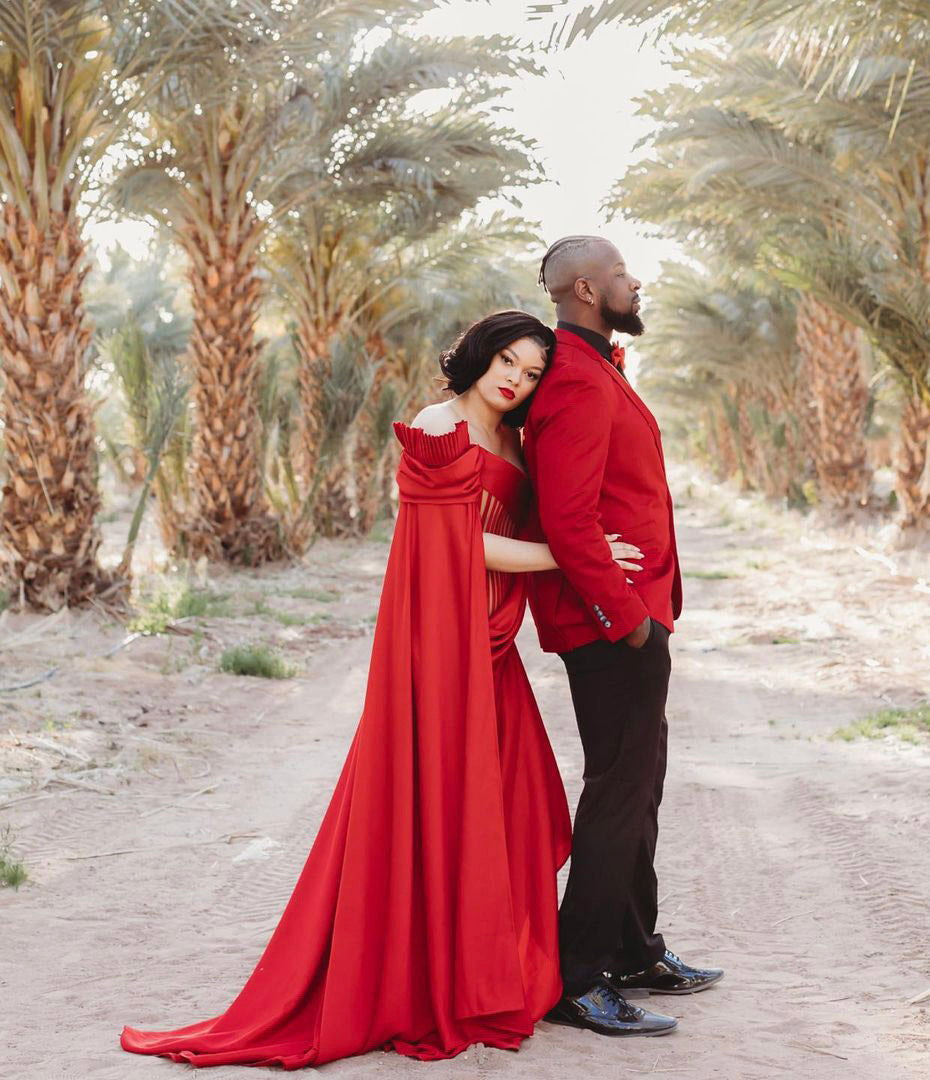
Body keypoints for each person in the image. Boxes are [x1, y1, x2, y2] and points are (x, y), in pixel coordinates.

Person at [119, 310, 649, 1069]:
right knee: (439, 796)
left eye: (532, 373)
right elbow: (456, 540)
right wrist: (570, 557)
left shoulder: (515, 437)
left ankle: (487, 970)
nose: (515, 379)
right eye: (506, 360)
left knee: (504, 801)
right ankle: (430, 980)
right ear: (477, 354)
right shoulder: (441, 423)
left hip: (490, 642)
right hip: (443, 641)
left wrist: (594, 548)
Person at [524, 236, 723, 1038]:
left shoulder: (597, 366)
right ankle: (580, 978)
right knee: (616, 792)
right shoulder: (573, 378)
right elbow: (567, 521)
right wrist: (629, 620)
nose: (635, 283)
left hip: (634, 616)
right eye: (620, 275)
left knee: (641, 787)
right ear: (583, 288)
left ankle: (638, 950)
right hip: (609, 623)